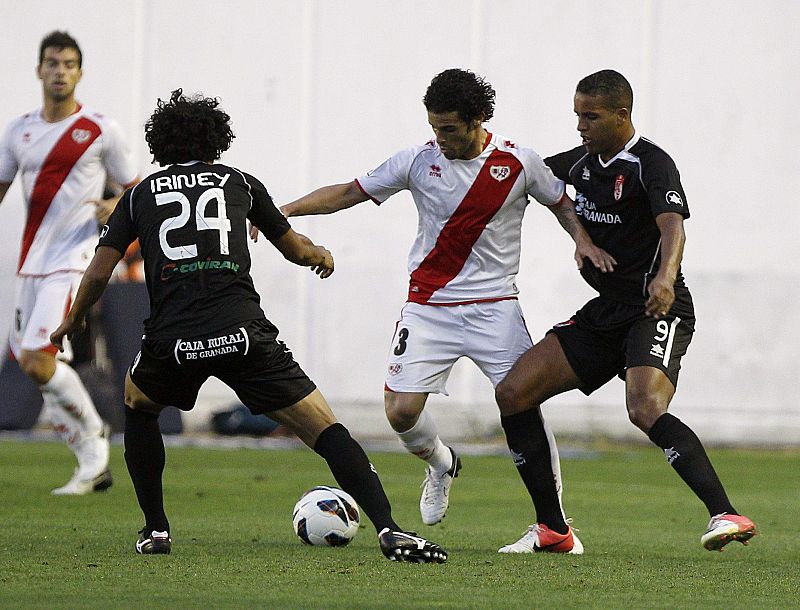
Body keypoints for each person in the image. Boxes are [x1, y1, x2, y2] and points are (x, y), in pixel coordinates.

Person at [50, 89, 447, 563]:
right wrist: (320, 255)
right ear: (217, 140)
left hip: (172, 340)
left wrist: (72, 320)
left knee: (138, 405)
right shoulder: (239, 182)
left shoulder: (137, 197)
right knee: (324, 427)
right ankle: (390, 529)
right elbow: (296, 249)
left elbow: (98, 271)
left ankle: (156, 529)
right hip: (242, 333)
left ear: (160, 144)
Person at [277, 68, 615, 553]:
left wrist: (581, 241)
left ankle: (555, 527)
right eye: (434, 127)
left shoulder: (518, 163)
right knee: (400, 412)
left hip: (496, 308)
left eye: (449, 129)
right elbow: (351, 191)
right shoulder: (417, 160)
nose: (439, 138)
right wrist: (284, 211)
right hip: (429, 307)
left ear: (479, 119)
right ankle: (440, 462)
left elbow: (562, 203)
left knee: (524, 402)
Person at [495, 69, 756, 552]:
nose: (580, 126)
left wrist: (663, 277)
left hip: (658, 308)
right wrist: (580, 238)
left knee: (644, 407)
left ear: (622, 114)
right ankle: (553, 530)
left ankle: (727, 514)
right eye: (577, 116)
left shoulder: (650, 163)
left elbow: (673, 227)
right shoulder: (578, 164)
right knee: (513, 392)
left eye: (590, 116)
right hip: (607, 310)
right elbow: (526, 178)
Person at [0, 31, 139, 495]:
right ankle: (89, 459)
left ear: (80, 72)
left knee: (40, 361)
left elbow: (137, 191)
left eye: (69, 64)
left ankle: (95, 442)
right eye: (52, 63)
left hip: (74, 261)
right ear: (39, 70)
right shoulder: (18, 130)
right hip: (31, 265)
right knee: (29, 361)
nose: (60, 71)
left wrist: (116, 203)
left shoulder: (101, 129)